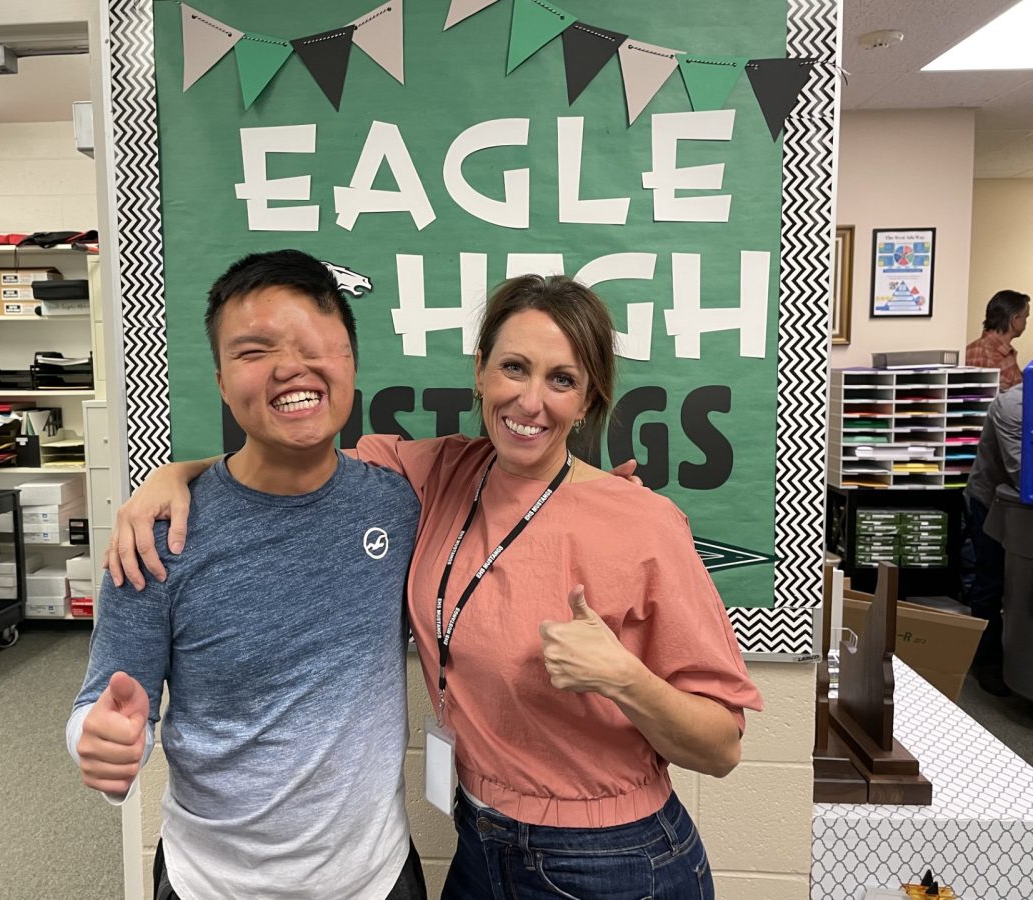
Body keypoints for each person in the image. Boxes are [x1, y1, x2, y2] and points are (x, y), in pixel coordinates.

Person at [112, 272, 764, 898]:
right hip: (480, 846)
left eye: (560, 379)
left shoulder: (642, 522)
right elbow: (295, 458)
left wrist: (625, 678)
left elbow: (722, 746)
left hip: (611, 861)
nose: (530, 401)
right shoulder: (443, 469)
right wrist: (177, 474)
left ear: (587, 398)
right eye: (514, 367)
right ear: (480, 369)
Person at [68, 250, 427, 900]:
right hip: (211, 883)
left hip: (375, 879)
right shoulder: (158, 535)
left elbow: (519, 482)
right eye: (254, 351)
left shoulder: (398, 507)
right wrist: (99, 740)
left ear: (349, 360)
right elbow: (104, 700)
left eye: (316, 343)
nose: (290, 367)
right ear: (222, 380)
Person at [963, 381, 1024, 696]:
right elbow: (1023, 472)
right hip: (991, 504)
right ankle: (986, 662)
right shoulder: (1013, 406)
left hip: (1020, 510)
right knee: (991, 581)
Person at [965, 290, 1030, 391]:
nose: (1026, 323)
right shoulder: (984, 355)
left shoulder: (1005, 352)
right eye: (1025, 317)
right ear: (1015, 319)